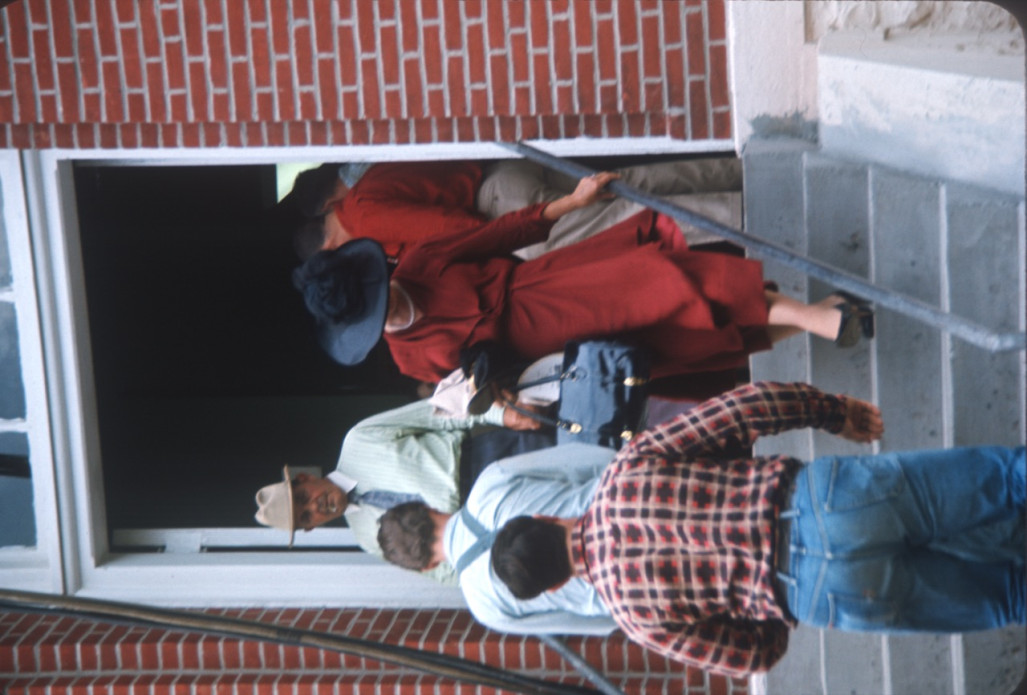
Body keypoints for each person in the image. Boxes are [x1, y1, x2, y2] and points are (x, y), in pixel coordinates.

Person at [488, 381, 1026, 677]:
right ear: (546, 517)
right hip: (820, 503)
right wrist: (830, 412)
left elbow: (752, 657)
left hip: (820, 593)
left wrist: (778, 598)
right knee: (1007, 479)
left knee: (1009, 598)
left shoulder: (636, 620)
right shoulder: (624, 473)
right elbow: (741, 410)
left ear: (557, 586)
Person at [294, 174, 874, 390]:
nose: (392, 311)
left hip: (555, 288)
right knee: (689, 343)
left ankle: (817, 317)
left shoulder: (422, 262)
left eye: (384, 295)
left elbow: (500, 233)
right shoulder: (408, 359)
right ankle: (815, 317)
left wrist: (572, 202)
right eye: (379, 317)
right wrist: (487, 388)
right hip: (562, 361)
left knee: (673, 282)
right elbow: (479, 400)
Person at [253, 398, 555, 585]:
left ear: (305, 477)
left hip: (490, 458)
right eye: (306, 517)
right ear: (311, 528)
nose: (316, 506)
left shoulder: (359, 440)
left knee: (576, 452)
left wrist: (500, 416)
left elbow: (439, 410)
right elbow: (439, 572)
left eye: (304, 498)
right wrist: (488, 577)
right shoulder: (366, 537)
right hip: (486, 523)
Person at [282, 158, 744, 261]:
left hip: (500, 209)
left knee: (633, 219)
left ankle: (748, 218)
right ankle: (740, 172)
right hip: (501, 176)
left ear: (328, 247)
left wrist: (502, 242)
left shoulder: (364, 217)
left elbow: (450, 228)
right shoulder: (364, 190)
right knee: (629, 185)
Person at [375, 443, 619, 635]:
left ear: (428, 566)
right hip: (625, 502)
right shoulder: (491, 480)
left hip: (623, 588)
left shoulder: (485, 608)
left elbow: (582, 623)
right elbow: (581, 458)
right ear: (430, 508)